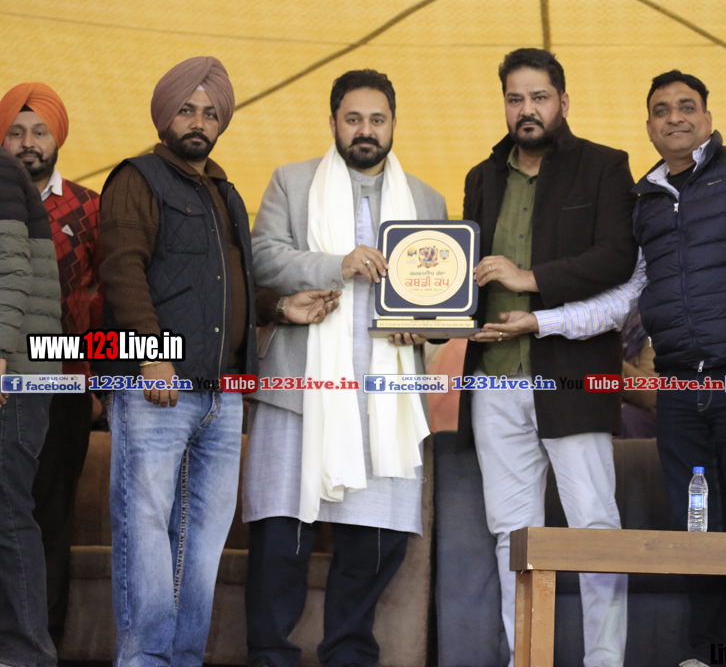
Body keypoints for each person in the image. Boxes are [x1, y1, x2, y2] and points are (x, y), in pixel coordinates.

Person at [484, 70, 726, 666]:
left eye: (686, 106)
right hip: (678, 385)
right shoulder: (646, 196)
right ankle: (709, 653)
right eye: (661, 110)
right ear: (650, 126)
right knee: (694, 523)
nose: (674, 117)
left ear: (707, 117)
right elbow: (624, 298)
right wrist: (541, 321)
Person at [98, 56, 332, 666]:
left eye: (209, 112)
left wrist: (280, 307)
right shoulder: (137, 178)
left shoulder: (225, 192)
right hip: (157, 385)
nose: (198, 122)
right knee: (146, 530)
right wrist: (149, 355)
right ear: (165, 117)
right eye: (186, 110)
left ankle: (181, 660)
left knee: (200, 544)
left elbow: (227, 285)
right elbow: (122, 270)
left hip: (222, 394)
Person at [245, 69, 445, 667]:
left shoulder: (427, 201)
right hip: (300, 393)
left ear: (393, 124)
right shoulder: (292, 181)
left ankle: (349, 656)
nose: (365, 130)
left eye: (376, 119)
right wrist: (338, 263)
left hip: (386, 399)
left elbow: (443, 297)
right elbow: (262, 258)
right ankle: (270, 657)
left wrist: (424, 327)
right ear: (333, 121)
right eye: (353, 118)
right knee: (282, 537)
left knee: (374, 544)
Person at [461, 48, 636, 667]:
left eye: (539, 97)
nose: (527, 110)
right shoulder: (483, 176)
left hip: (571, 376)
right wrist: (430, 321)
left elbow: (617, 257)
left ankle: (604, 661)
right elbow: (466, 274)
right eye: (516, 99)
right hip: (495, 378)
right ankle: (525, 658)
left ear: (563, 101)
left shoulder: (604, 165)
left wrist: (530, 278)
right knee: (513, 531)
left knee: (594, 524)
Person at [1, 82, 102, 648]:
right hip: (6, 379)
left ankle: (45, 643)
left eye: (39, 131)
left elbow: (105, 299)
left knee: (49, 515)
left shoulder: (89, 206)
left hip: (66, 385)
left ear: (57, 136)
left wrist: (100, 386)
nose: (28, 143)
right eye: (16, 132)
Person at [0, 149, 62, 667]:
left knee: (7, 511)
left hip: (13, 374)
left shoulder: (1, 171)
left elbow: (12, 268)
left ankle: (26, 654)